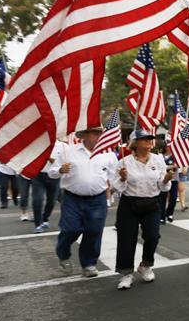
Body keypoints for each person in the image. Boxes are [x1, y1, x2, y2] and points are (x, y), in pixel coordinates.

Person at [47, 124, 117, 276]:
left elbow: (114, 177)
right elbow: (51, 172)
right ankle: (63, 254)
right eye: (94, 134)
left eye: (100, 134)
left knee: (94, 231)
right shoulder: (69, 151)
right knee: (70, 229)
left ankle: (89, 263)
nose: (98, 137)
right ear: (84, 135)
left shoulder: (108, 154)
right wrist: (60, 170)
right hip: (73, 198)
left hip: (97, 199)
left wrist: (117, 185)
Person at [112, 130, 174, 289]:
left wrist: (167, 179)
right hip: (129, 203)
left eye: (150, 139)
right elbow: (116, 186)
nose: (149, 141)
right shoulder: (124, 162)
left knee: (153, 236)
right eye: (144, 139)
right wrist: (123, 178)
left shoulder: (158, 160)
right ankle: (126, 274)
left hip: (151, 203)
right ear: (135, 142)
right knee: (127, 239)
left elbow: (162, 185)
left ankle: (145, 265)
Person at [32, 140, 65, 233]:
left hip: (54, 177)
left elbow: (66, 161)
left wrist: (56, 164)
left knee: (52, 201)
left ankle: (45, 218)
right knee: (37, 200)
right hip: (39, 175)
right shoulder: (38, 143)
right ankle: (38, 224)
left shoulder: (63, 146)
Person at [160, 143, 179, 224]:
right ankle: (161, 216)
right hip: (163, 179)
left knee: (174, 198)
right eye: (168, 146)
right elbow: (160, 167)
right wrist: (170, 167)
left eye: (171, 146)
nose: (169, 148)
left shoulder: (176, 156)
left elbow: (177, 166)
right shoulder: (160, 156)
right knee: (162, 198)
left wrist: (168, 167)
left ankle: (170, 213)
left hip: (174, 179)